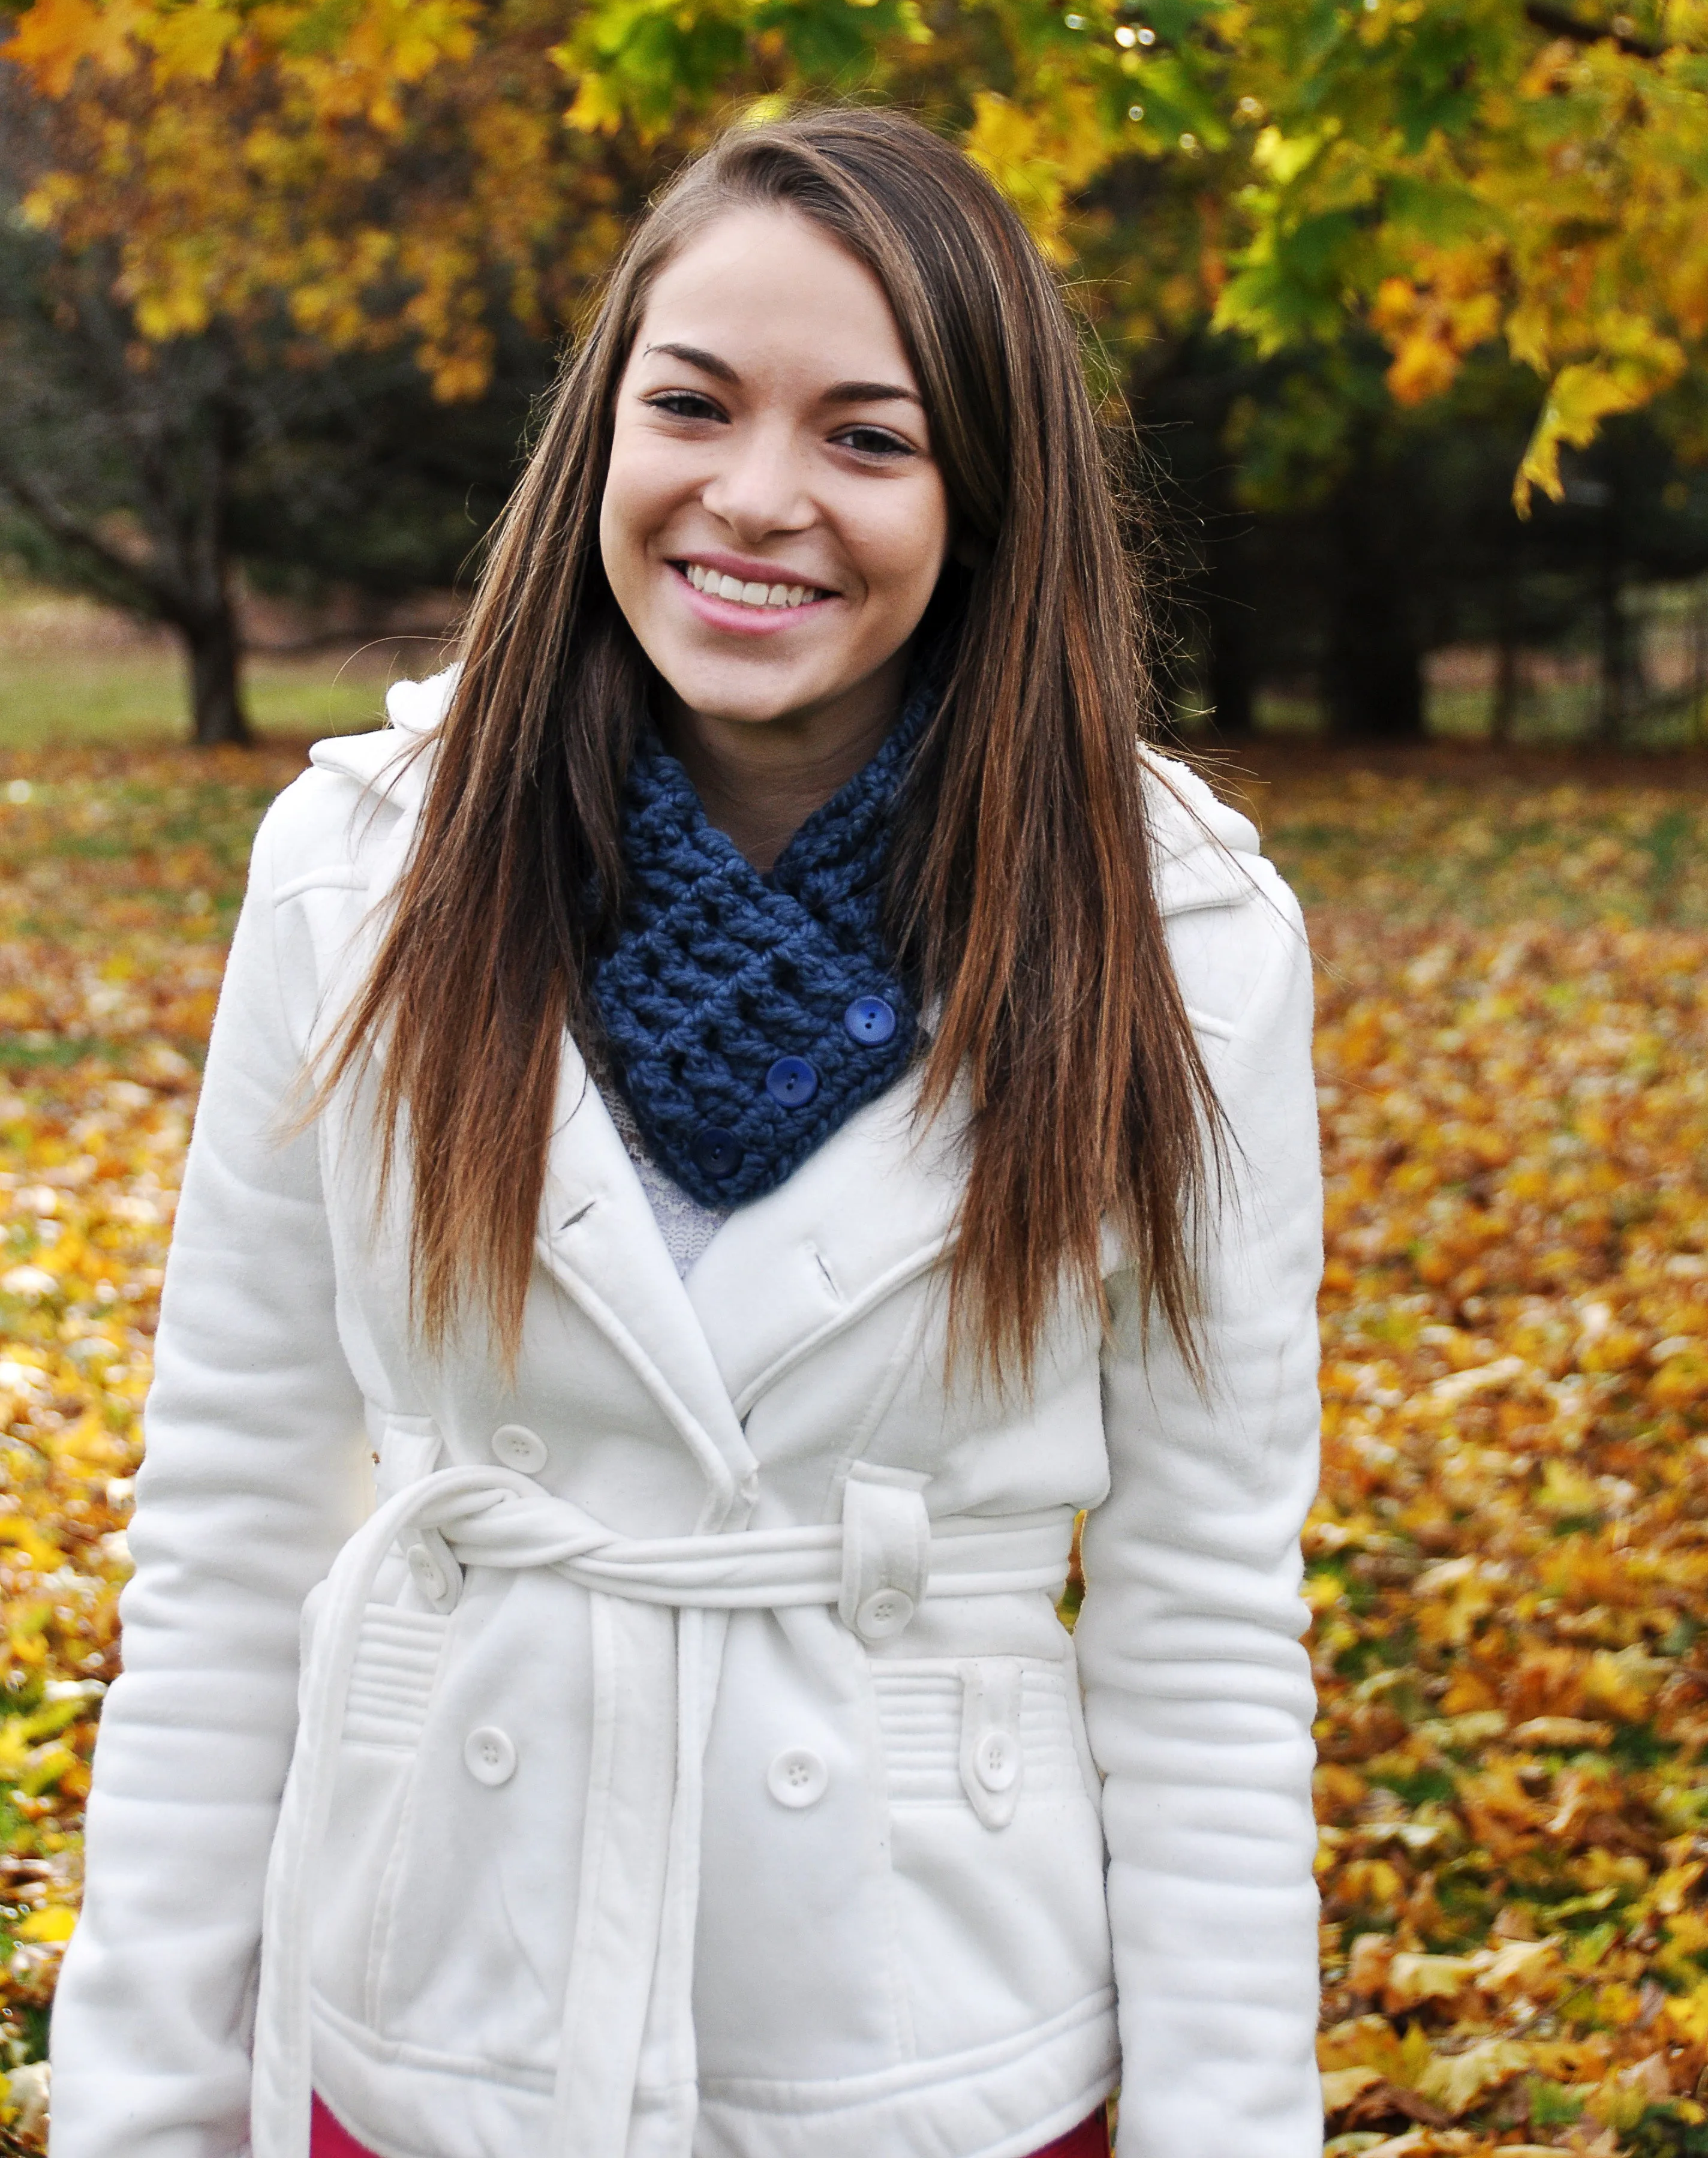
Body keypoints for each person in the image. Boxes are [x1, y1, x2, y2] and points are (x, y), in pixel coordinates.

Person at [49, 108, 1324, 2158]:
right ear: (602, 440)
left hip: (936, 2061)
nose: (757, 497)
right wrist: (142, 2111)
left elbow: (1202, 1628)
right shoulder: (357, 871)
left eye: (867, 437)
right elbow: (217, 1545)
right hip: (428, 2024)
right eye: (695, 406)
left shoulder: (1177, 937)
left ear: (982, 497)